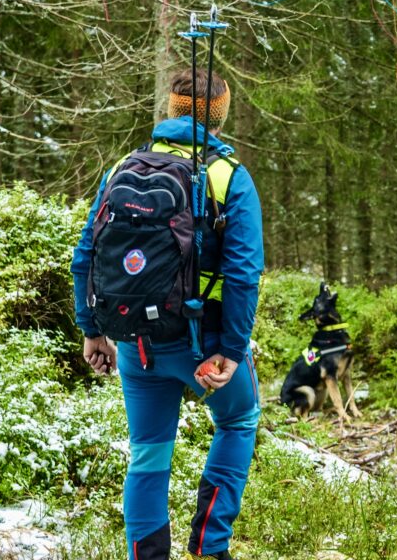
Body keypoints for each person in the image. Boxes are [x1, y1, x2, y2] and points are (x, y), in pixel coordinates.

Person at [70, 69, 264, 560]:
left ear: (172, 110)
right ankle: (209, 547)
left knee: (149, 453)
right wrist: (233, 351)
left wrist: (93, 330)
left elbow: (86, 254)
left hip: (137, 344)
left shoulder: (122, 168)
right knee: (239, 420)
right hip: (203, 344)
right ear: (220, 114)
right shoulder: (228, 176)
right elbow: (243, 273)